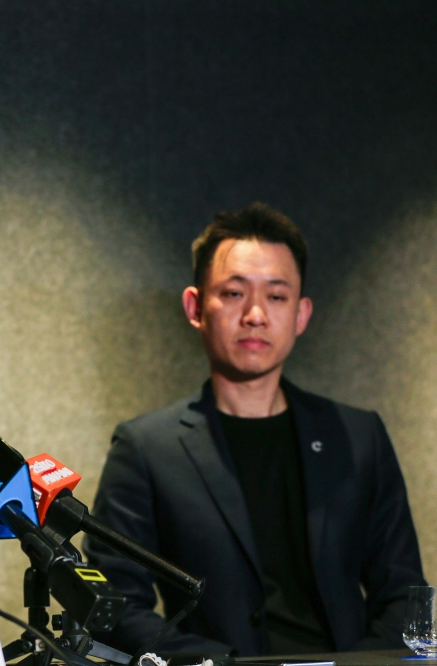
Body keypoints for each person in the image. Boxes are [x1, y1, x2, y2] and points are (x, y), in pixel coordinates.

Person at [84, 203, 426, 657]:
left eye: (277, 296)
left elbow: (404, 593)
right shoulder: (146, 448)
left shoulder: (360, 436)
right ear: (195, 307)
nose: (256, 314)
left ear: (301, 314)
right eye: (233, 293)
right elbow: (115, 605)